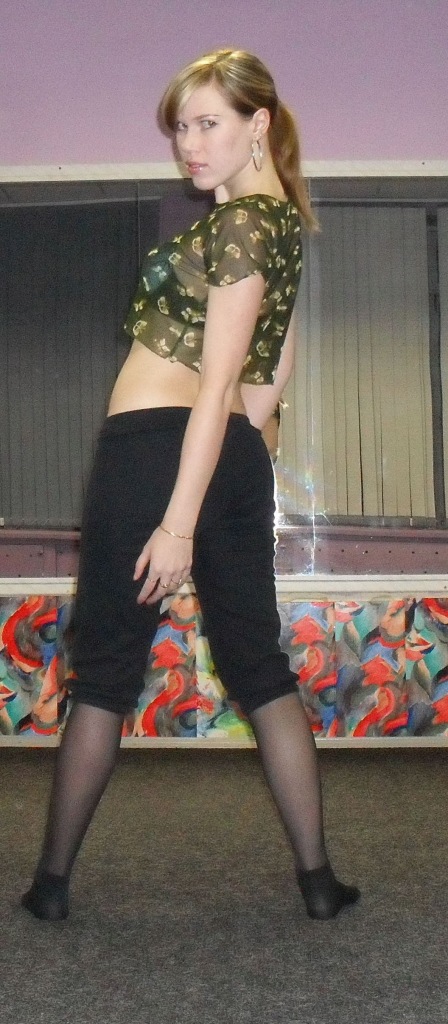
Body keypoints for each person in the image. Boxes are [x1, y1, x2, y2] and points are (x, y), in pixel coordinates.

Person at [22, 48, 360, 922]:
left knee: (104, 672)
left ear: (259, 124)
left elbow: (214, 386)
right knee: (260, 668)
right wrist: (243, 475)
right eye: (181, 127)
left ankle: (50, 887)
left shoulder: (242, 223)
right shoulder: (282, 225)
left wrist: (178, 523)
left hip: (156, 455)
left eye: (209, 123)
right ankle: (319, 883)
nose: (189, 144)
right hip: (229, 455)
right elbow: (268, 374)